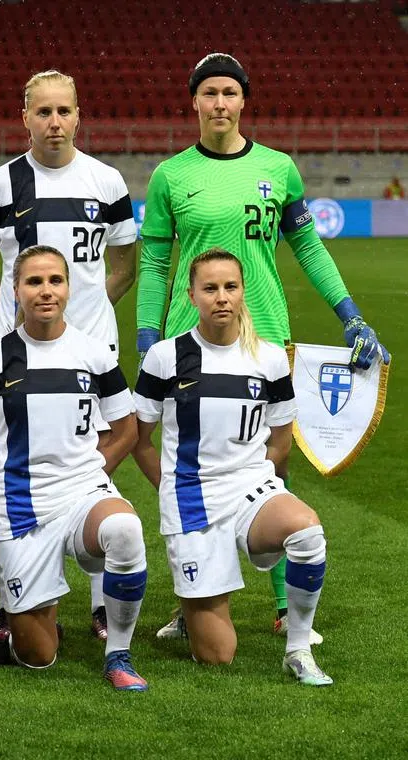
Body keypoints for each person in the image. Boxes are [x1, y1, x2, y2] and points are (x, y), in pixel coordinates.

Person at [137, 53, 387, 642]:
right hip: (186, 339)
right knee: (185, 463)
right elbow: (153, 262)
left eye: (229, 93)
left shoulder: (279, 168)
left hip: (264, 334)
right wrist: (149, 339)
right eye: (208, 94)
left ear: (244, 100)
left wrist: (349, 314)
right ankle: (195, 592)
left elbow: (309, 249)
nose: (219, 104)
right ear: (193, 102)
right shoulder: (171, 175)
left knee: (273, 460)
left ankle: (281, 604)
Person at [0, 69, 137, 642]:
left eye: (64, 111)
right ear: (25, 118)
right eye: (43, 112)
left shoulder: (107, 181)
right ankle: (10, 594)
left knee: (92, 454)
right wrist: (23, 319)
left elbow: (124, 264)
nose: (55, 122)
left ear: (78, 115)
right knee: (13, 451)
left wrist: (83, 317)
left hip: (92, 345)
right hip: (18, 350)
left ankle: (95, 600)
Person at [133, 249, 331, 686]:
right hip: (190, 499)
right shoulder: (165, 357)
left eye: (230, 287)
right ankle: (191, 607)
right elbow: (139, 440)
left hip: (249, 488)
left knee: (306, 531)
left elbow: (281, 442)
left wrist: (269, 491)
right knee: (218, 656)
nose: (221, 297)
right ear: (192, 295)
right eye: (210, 288)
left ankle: (297, 650)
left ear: (243, 292)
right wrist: (170, 489)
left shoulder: (271, 358)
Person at [0, 245, 149, 692]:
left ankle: (118, 654)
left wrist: (93, 473)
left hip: (83, 493)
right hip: (21, 507)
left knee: (124, 529)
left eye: (55, 281)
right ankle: (25, 628)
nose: (46, 291)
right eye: (34, 282)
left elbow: (126, 430)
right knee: (38, 657)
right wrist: (8, 482)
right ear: (15, 290)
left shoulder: (95, 354)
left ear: (69, 286)